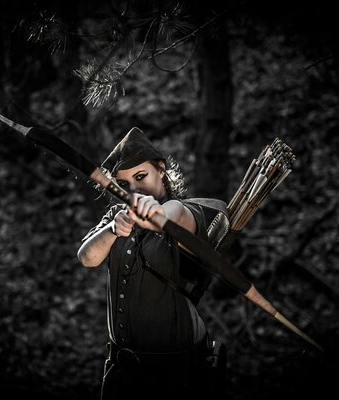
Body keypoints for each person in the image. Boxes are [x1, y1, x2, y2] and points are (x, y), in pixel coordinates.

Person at [77, 127, 229, 400]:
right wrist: (114, 228)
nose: (134, 189)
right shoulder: (117, 215)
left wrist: (152, 212)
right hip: (122, 373)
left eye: (141, 176)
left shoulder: (184, 211)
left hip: (175, 375)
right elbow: (88, 258)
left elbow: (168, 215)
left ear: (160, 169)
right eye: (124, 185)